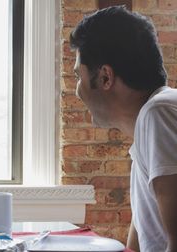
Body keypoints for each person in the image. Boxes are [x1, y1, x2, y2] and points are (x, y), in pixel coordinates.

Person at [70, 6, 177, 252]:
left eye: (79, 76)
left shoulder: (158, 114)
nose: (77, 91)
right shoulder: (150, 124)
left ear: (106, 77)